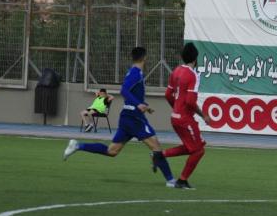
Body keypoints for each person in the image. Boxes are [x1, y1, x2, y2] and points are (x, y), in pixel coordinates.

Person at [62, 47, 176, 188]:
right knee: (156, 147)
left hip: (128, 117)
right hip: (134, 118)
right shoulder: (136, 73)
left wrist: (144, 105)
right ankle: (171, 181)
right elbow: (124, 90)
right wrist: (138, 104)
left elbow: (133, 94)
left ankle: (78, 146)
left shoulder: (132, 72)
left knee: (112, 151)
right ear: (144, 58)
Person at [161, 42, 212, 190]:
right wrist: (203, 116)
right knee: (198, 150)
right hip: (185, 119)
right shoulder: (193, 75)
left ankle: (160, 155)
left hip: (175, 117)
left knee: (192, 147)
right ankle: (182, 181)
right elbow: (190, 102)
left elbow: (167, 94)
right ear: (195, 59)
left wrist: (176, 108)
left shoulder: (176, 71)